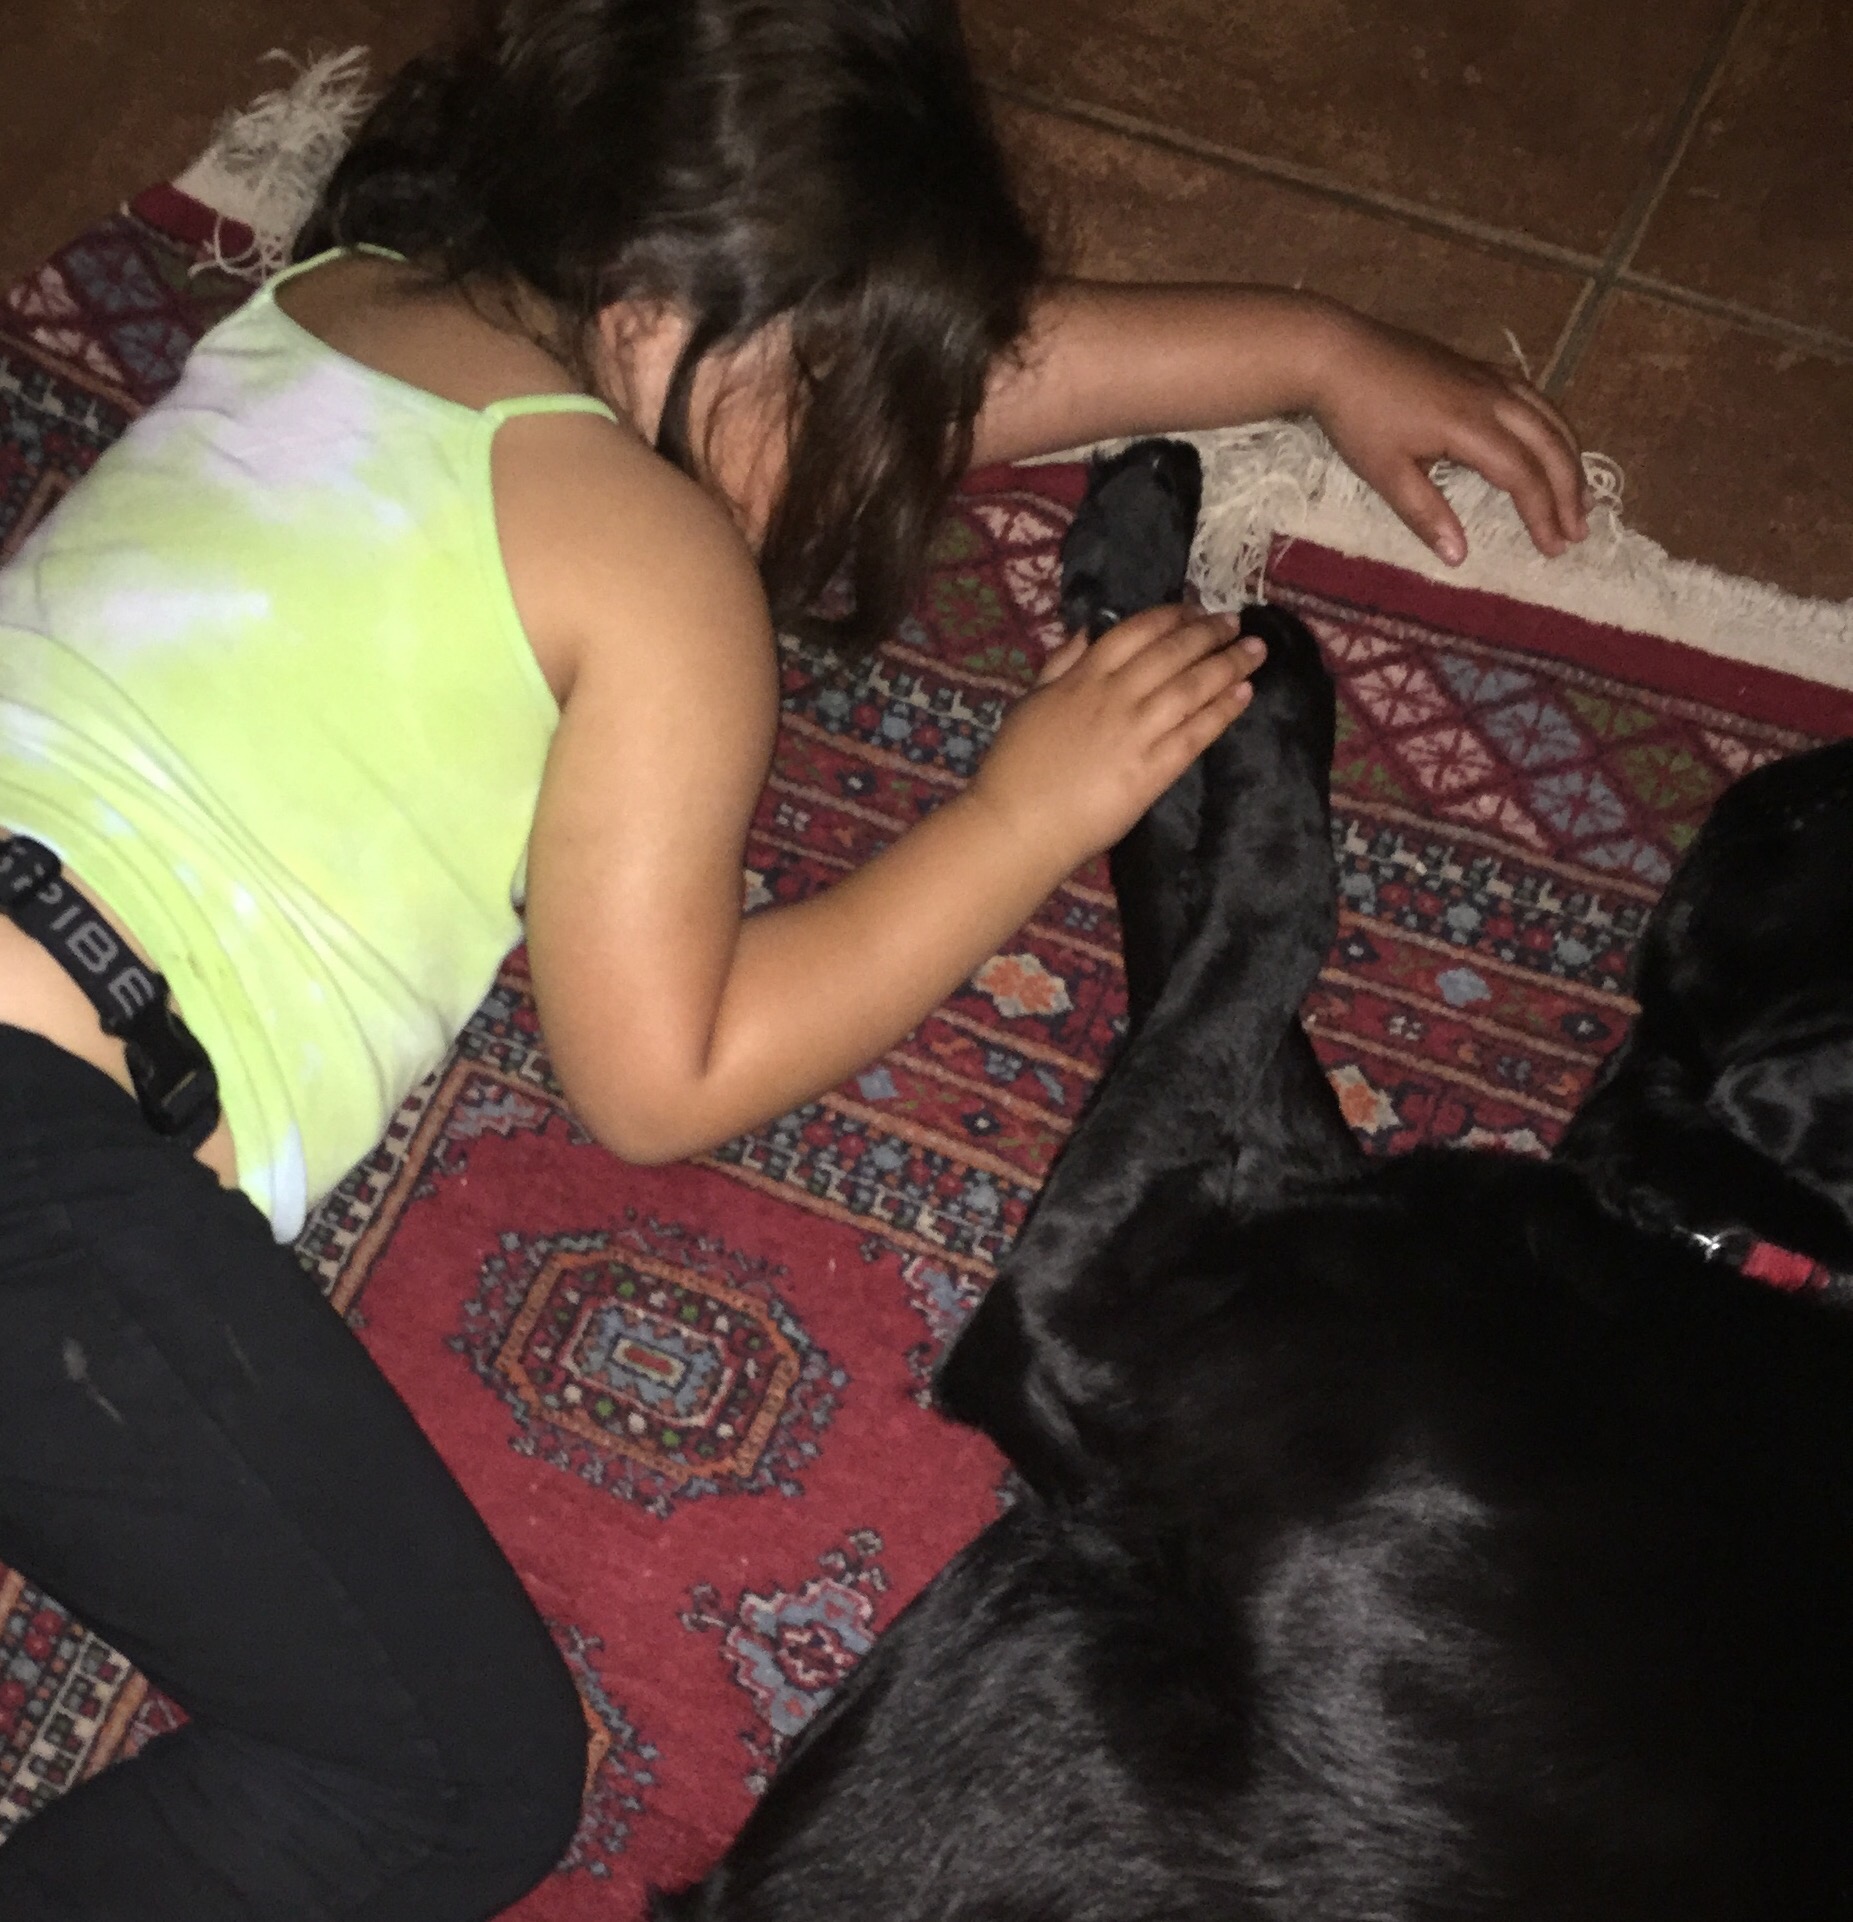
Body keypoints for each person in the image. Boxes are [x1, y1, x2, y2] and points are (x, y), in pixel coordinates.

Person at [0, 0, 1588, 1914]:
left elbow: (880, 371)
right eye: (854, 396)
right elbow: (660, 1072)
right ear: (667, 313)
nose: (884, 464)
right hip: (36, 1137)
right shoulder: (652, 564)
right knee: (448, 1776)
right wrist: (1019, 816)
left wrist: (1311, 352)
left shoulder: (350, 292)